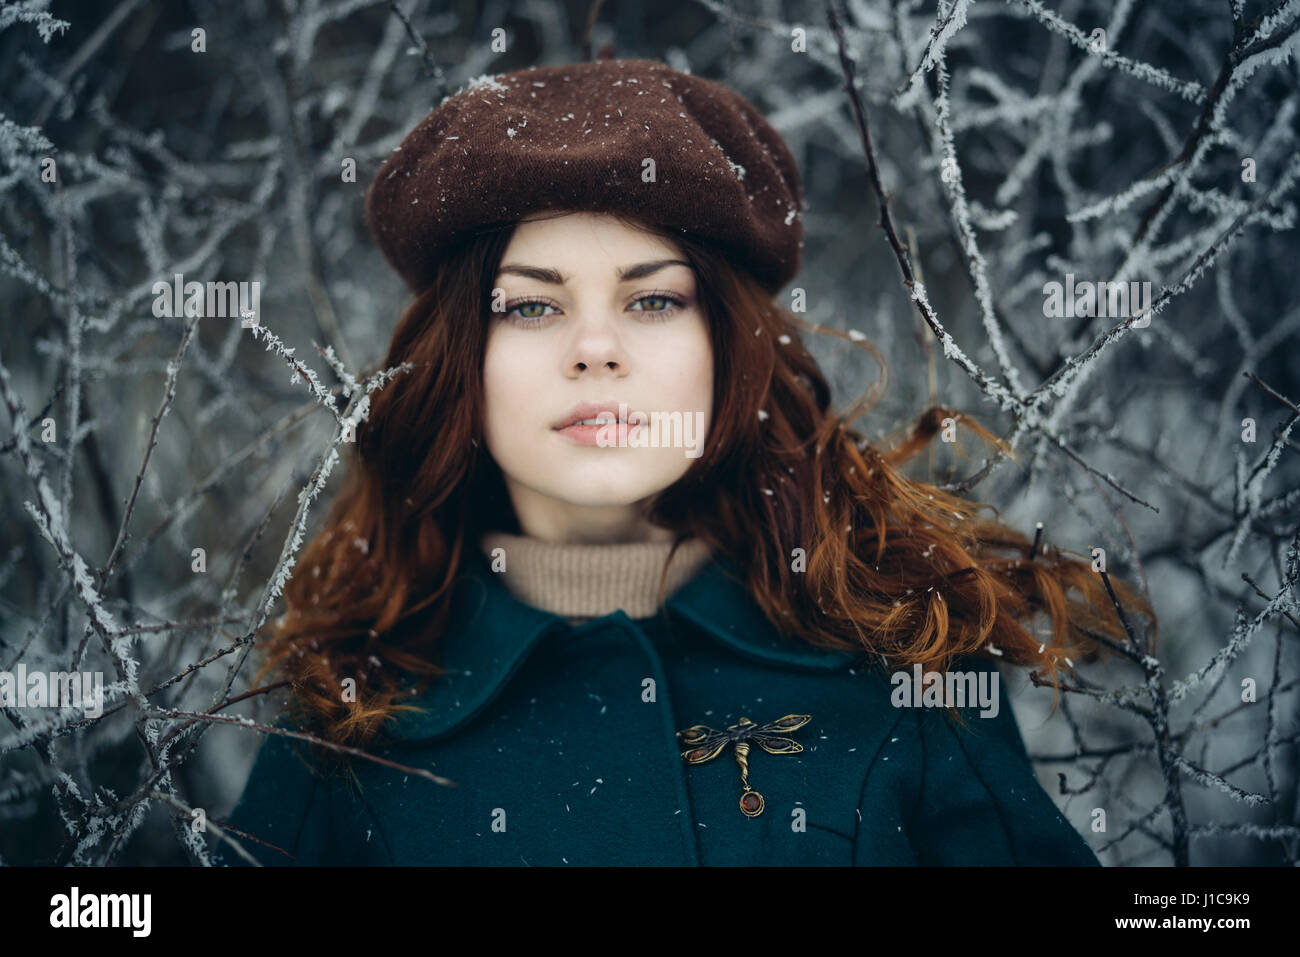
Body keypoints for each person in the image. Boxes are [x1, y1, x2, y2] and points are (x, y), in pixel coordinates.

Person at [213, 52, 1152, 867]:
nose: (595, 348)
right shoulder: (347, 708)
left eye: (653, 300)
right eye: (531, 305)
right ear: (461, 360)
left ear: (726, 346)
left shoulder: (904, 661)